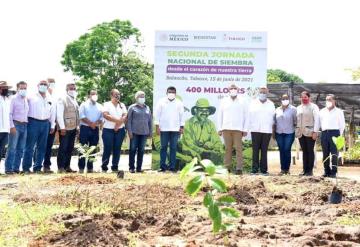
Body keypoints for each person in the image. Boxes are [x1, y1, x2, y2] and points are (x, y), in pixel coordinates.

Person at [22, 80, 55, 173]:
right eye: (42, 84)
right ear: (37, 85)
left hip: (45, 123)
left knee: (42, 147)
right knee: (29, 146)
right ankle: (26, 168)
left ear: (48, 86)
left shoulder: (50, 98)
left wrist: (52, 125)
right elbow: (25, 110)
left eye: (45, 84)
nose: (43, 86)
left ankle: (37, 168)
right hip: (33, 122)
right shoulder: (30, 97)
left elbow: (52, 113)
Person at [181, 98, 223, 166]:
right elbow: (189, 144)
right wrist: (203, 151)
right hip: (191, 153)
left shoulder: (210, 124)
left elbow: (217, 141)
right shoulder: (188, 123)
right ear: (196, 110)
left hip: (207, 154)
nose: (204, 113)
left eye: (206, 110)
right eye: (201, 110)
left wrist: (216, 148)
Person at [217, 84, 248, 174]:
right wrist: (219, 128)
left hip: (238, 129)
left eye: (235, 88)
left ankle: (239, 168)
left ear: (238, 90)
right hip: (226, 128)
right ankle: (227, 168)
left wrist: (245, 129)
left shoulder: (243, 101)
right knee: (227, 149)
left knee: (238, 148)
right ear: (229, 90)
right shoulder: (224, 101)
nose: (233, 90)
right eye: (232, 88)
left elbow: (246, 116)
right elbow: (220, 115)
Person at [154, 86, 184, 172]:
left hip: (175, 129)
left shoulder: (179, 103)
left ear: (175, 93)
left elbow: (181, 116)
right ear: (166, 93)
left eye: (173, 92)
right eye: (170, 92)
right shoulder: (161, 102)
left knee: (173, 148)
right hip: (164, 128)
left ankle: (172, 167)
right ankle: (162, 166)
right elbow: (157, 115)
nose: (171, 94)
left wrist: (181, 127)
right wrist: (157, 127)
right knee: (163, 147)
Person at [248, 86, 275, 175]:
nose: (263, 94)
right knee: (255, 150)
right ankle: (254, 169)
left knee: (264, 151)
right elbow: (249, 117)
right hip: (255, 129)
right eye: (261, 92)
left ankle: (264, 170)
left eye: (264, 92)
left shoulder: (271, 104)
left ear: (267, 93)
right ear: (258, 93)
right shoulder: (253, 103)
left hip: (267, 130)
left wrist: (272, 130)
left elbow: (273, 118)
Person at [4, 81, 29, 174]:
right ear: (17, 88)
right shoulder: (13, 99)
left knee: (20, 148)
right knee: (12, 147)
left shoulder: (26, 99)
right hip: (15, 124)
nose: (23, 90)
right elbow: (9, 113)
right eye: (21, 88)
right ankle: (8, 169)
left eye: (25, 88)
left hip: (25, 125)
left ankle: (16, 168)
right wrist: (11, 126)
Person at [319, 94, 345, 178]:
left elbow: (342, 125)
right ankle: (326, 171)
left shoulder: (339, 111)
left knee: (334, 154)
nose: (328, 101)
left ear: (334, 101)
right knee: (325, 154)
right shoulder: (322, 111)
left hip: (335, 133)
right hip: (324, 133)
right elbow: (319, 123)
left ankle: (334, 172)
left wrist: (339, 136)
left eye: (330, 100)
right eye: (327, 100)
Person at [295, 91, 320, 176]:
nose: (304, 98)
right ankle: (304, 170)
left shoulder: (313, 107)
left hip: (310, 132)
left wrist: (315, 132)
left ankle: (310, 170)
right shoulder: (298, 107)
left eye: (305, 97)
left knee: (310, 151)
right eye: (302, 97)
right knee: (304, 151)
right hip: (301, 133)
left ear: (309, 98)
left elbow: (317, 120)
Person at [78, 89, 103, 173]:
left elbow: (101, 118)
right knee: (83, 148)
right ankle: (81, 168)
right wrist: (90, 123)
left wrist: (96, 123)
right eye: (92, 94)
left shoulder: (100, 106)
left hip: (95, 129)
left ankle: (90, 168)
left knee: (93, 148)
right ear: (88, 95)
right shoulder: (84, 104)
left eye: (95, 94)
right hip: (85, 128)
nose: (94, 95)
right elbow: (82, 116)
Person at [102, 89, 127, 173]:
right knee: (107, 148)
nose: (118, 96)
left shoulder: (122, 105)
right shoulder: (106, 104)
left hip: (120, 130)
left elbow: (125, 115)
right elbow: (106, 115)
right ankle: (104, 167)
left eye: (119, 94)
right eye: (116, 94)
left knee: (117, 148)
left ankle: (115, 167)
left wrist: (118, 125)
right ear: (111, 95)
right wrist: (117, 121)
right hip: (108, 130)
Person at [126, 91, 152, 173]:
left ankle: (139, 168)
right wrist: (129, 131)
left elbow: (150, 121)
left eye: (143, 96)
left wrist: (150, 132)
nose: (142, 98)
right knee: (132, 150)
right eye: (140, 96)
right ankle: (131, 167)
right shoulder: (132, 107)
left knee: (141, 150)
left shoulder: (147, 108)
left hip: (144, 133)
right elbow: (128, 120)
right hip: (134, 132)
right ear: (136, 98)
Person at [56, 82, 79, 173]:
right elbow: (59, 115)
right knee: (63, 148)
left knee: (70, 148)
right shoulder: (62, 99)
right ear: (66, 89)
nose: (72, 90)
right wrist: (62, 128)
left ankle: (67, 166)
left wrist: (77, 127)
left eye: (74, 88)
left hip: (73, 128)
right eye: (70, 88)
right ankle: (61, 167)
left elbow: (76, 115)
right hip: (65, 128)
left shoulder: (74, 100)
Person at [274, 94, 297, 175]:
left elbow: (295, 121)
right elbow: (275, 122)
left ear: (289, 99)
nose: (285, 100)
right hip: (279, 133)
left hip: (289, 133)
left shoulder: (293, 109)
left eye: (286, 98)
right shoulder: (277, 109)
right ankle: (282, 169)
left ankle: (287, 169)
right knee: (281, 150)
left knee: (287, 149)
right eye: (283, 98)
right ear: (281, 99)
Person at [42, 78, 57, 173]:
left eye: (53, 83)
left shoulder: (55, 96)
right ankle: (37, 164)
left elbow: (55, 112)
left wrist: (54, 125)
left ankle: (46, 165)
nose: (51, 85)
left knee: (48, 146)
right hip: (43, 123)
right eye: (49, 83)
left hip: (53, 124)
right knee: (40, 145)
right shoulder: (42, 95)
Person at [0, 81, 12, 174]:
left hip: (5, 129)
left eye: (5, 88)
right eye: (3, 87)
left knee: (1, 150)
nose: (5, 89)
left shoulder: (8, 99)